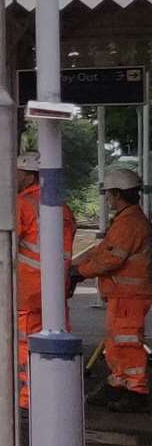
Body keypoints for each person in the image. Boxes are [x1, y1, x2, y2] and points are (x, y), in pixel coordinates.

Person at [71, 167, 150, 412]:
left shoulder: (130, 223)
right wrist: (78, 264)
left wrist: (80, 272)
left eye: (109, 194)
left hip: (130, 296)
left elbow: (111, 259)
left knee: (127, 342)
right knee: (116, 341)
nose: (107, 199)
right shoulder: (128, 220)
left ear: (116, 193)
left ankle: (136, 390)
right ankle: (118, 382)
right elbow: (104, 251)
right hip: (124, 295)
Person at [14, 151, 76, 408]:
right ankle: (56, 389)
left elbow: (6, 244)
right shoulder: (62, 207)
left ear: (28, 176)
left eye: (17, 173)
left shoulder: (22, 203)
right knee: (54, 334)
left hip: (28, 287)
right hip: (54, 286)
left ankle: (29, 398)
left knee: (25, 339)